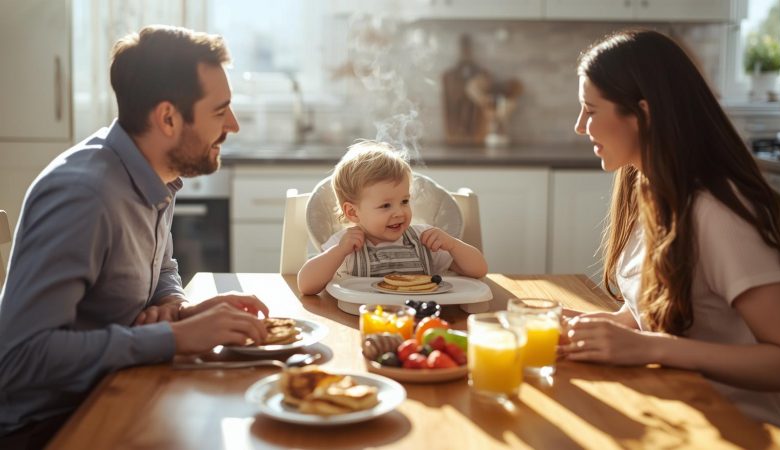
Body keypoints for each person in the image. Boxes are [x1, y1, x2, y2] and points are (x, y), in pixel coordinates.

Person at [0, 26, 272, 448]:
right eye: (220, 111)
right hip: (46, 427)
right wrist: (174, 338)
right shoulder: (84, 196)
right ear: (168, 118)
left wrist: (177, 307)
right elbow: (20, 358)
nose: (232, 126)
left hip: (116, 388)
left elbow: (161, 267)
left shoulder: (157, 174)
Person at [560, 29, 780, 434]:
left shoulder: (718, 213)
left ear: (643, 113)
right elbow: (664, 314)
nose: (580, 127)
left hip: (752, 430)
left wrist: (651, 348)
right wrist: (603, 327)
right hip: (685, 411)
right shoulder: (649, 188)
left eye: (591, 109)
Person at [297, 141, 488, 295]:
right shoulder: (346, 245)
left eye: (404, 201)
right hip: (363, 318)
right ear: (353, 212)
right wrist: (338, 252)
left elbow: (478, 271)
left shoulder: (423, 240)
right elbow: (306, 285)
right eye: (386, 205)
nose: (399, 212)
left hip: (419, 319)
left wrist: (453, 245)